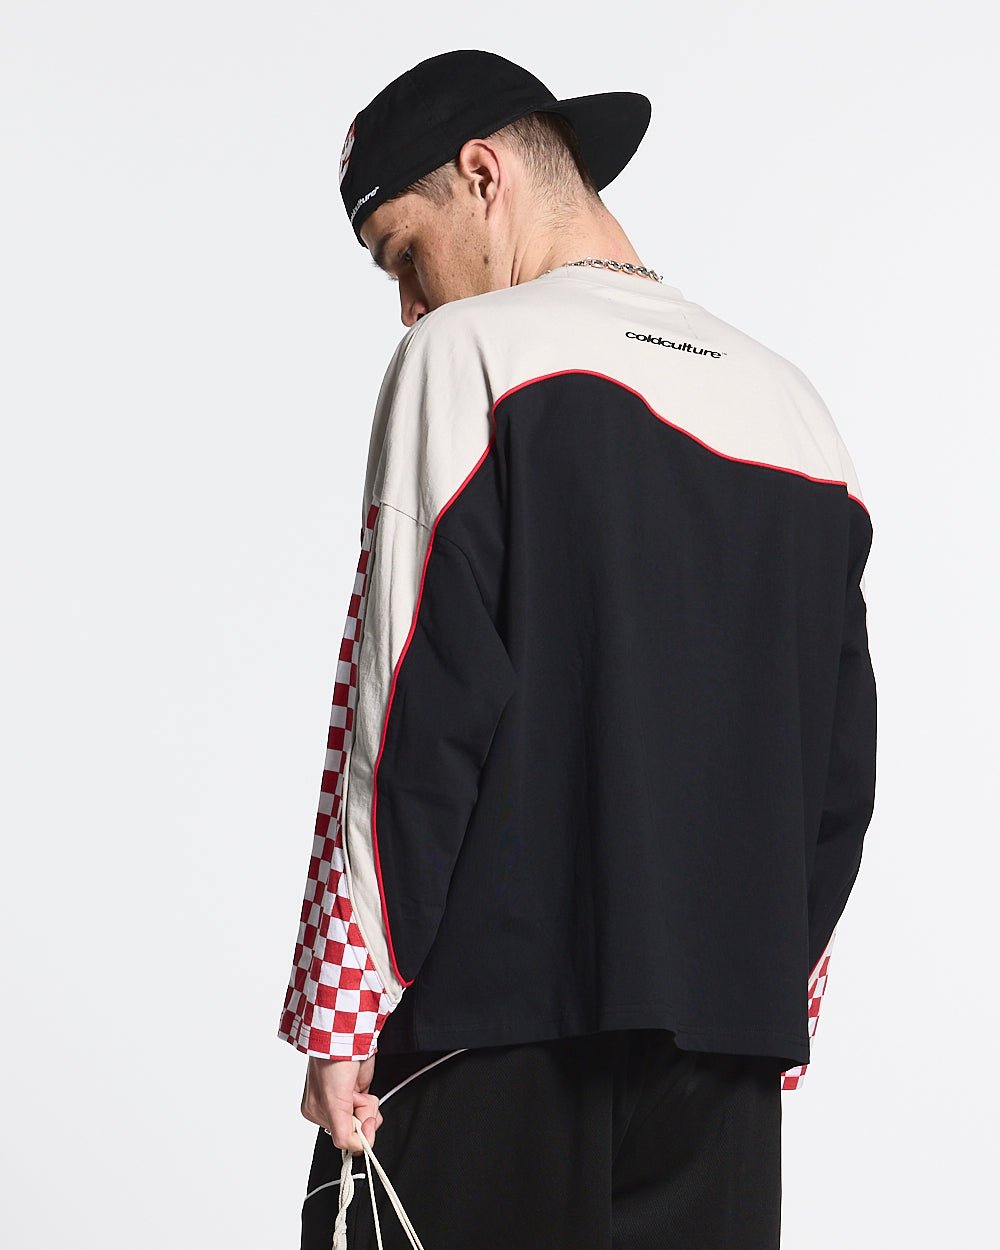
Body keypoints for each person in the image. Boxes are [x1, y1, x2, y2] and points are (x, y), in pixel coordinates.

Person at [277, 48, 878, 1250]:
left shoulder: (470, 357)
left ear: (481, 175)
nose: (408, 304)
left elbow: (407, 709)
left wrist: (340, 1015)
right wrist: (770, 1003)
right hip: (720, 1067)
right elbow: (836, 778)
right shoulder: (798, 412)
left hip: (490, 1036)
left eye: (402, 254)